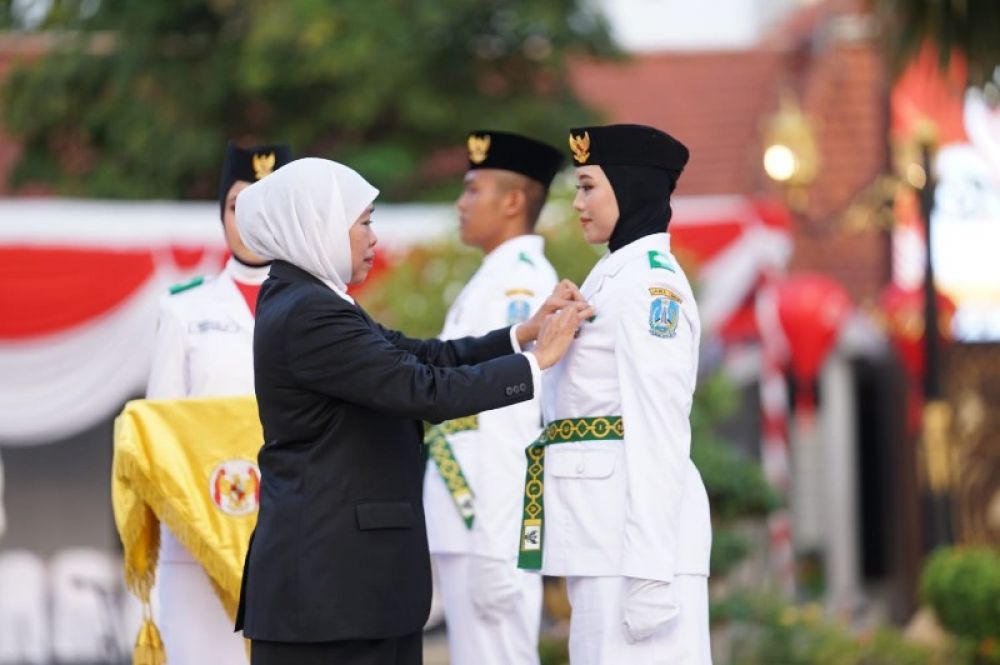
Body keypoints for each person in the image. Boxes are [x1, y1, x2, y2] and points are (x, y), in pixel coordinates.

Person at [233, 157, 589, 665]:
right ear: (319, 227)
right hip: (331, 591)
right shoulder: (310, 311)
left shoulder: (308, 298)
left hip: (344, 589)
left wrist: (520, 335)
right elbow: (421, 389)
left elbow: (421, 355)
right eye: (363, 222)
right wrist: (537, 364)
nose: (373, 237)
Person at [516, 124, 713, 664]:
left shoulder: (650, 287)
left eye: (588, 186)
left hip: (634, 548)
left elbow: (659, 427)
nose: (578, 203)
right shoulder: (612, 275)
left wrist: (651, 573)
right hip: (603, 535)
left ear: (630, 188)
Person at [145, 141, 292, 664]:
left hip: (290, 525)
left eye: (265, 205)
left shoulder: (329, 308)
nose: (248, 220)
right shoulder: (185, 310)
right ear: (221, 214)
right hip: (203, 524)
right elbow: (161, 431)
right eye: (236, 205)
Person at [423, 130, 563, 665]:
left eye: (473, 189)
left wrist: (496, 546)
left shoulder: (518, 286)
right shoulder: (492, 277)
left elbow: (513, 413)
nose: (461, 204)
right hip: (467, 509)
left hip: (486, 515)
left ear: (512, 201)